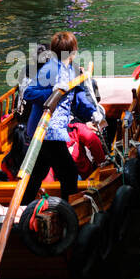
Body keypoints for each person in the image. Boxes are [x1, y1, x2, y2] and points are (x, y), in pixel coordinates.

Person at [21, 31, 98, 201]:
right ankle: (68, 210)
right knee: (69, 173)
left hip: (51, 130)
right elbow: (29, 93)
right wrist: (52, 90)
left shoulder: (72, 71)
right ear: (73, 52)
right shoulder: (50, 69)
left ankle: (25, 205)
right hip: (47, 130)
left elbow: (77, 99)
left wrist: (92, 113)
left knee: (37, 173)